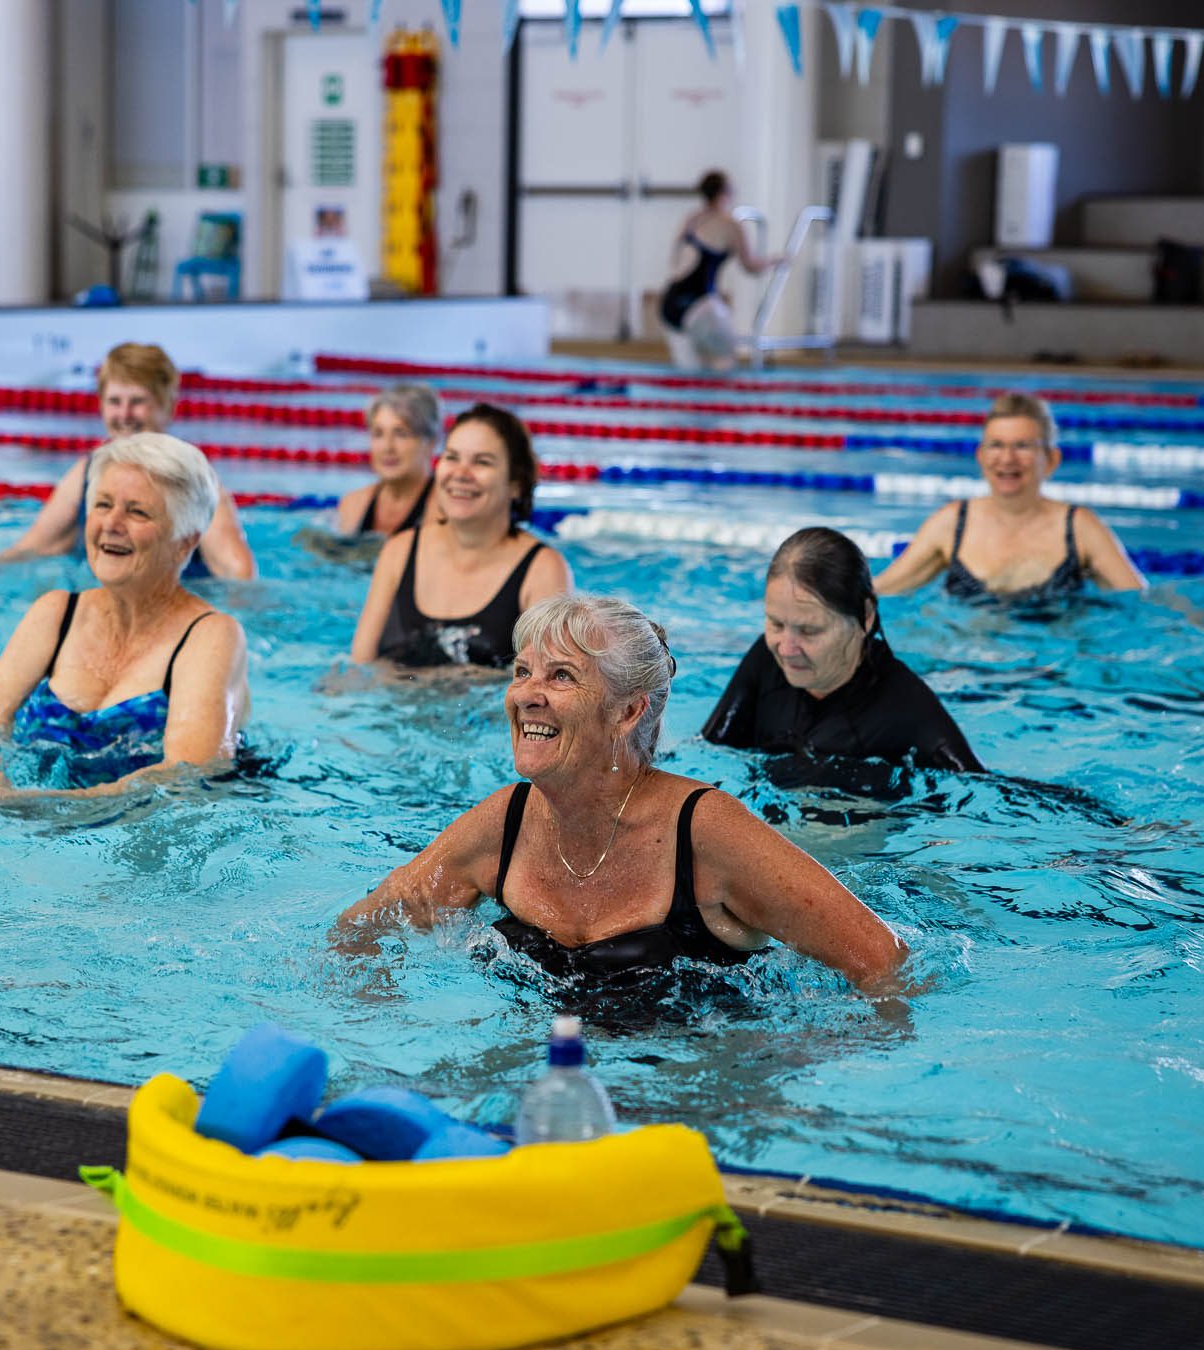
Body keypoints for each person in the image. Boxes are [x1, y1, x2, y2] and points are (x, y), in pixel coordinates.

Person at [339, 593, 906, 995]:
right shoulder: (503, 824)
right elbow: (360, 931)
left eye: (561, 676)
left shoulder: (706, 833)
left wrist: (811, 1064)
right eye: (521, 672)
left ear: (628, 711)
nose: (526, 695)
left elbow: (886, 965)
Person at [0, 432, 249, 798]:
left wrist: (36, 807)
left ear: (185, 542)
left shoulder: (211, 637)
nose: (111, 524)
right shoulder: (55, 615)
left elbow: (186, 779)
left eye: (137, 512)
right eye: (103, 505)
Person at [705, 527, 982, 775]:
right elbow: (707, 755)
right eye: (776, 624)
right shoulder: (765, 660)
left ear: (866, 616)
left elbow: (982, 795)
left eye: (809, 630)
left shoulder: (908, 709)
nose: (786, 649)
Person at [0, 342, 256, 579]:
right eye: (115, 401)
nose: (125, 415)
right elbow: (35, 547)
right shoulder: (87, 472)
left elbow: (238, 574)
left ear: (167, 406)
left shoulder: (190, 479)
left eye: (137, 401)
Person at [350, 403, 571, 670]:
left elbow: (547, 683)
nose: (460, 474)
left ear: (516, 483)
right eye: (452, 457)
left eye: (482, 462)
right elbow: (358, 668)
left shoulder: (542, 570)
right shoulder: (399, 551)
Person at [874, 391, 1145, 603]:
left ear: (1051, 459)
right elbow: (878, 592)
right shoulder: (951, 524)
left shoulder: (1079, 527)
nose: (1007, 459)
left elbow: (1142, 604)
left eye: (1022, 446)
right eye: (996, 445)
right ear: (981, 456)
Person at [657, 171, 784, 372]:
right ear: (725, 193)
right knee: (725, 362)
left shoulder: (692, 219)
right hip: (700, 303)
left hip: (669, 305)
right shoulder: (730, 224)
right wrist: (775, 261)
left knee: (689, 374)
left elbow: (675, 259)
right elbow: (751, 266)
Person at [333, 382, 440, 537]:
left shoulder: (443, 512)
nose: (387, 447)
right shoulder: (353, 505)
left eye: (401, 434)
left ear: (431, 442)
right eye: (378, 434)